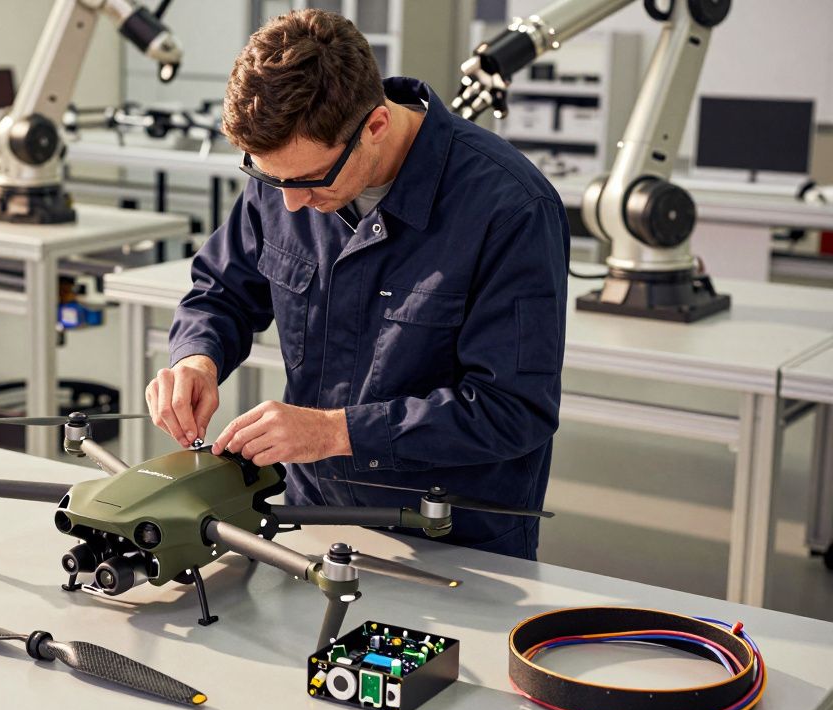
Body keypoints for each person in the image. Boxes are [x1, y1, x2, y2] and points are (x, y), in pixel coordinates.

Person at [144, 9, 569, 560]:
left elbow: (513, 410)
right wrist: (196, 359)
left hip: (453, 543)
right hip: (308, 521)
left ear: (374, 126)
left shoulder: (509, 209)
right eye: (267, 178)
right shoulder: (287, 172)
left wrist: (336, 432)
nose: (290, 202)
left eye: (307, 182)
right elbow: (223, 290)